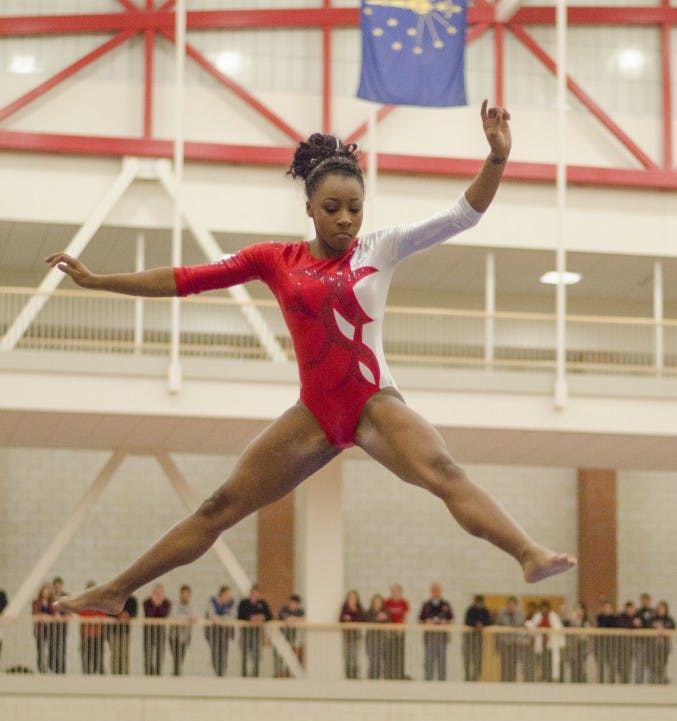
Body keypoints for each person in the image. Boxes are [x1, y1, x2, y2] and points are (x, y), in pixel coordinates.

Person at [46, 102, 574, 622]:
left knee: (444, 471)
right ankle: (116, 591)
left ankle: (526, 552)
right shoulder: (274, 260)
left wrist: (497, 159)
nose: (345, 219)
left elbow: (463, 214)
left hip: (373, 403)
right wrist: (99, 281)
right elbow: (186, 279)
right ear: (309, 208)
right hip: (315, 413)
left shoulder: (381, 248)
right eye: (331, 209)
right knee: (218, 508)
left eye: (354, 208)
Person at [419, 583, 454, 681]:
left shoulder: (445, 604)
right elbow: (421, 618)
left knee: (441, 659)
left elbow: (451, 617)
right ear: (431, 592)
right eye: (434, 591)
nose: (436, 593)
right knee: (429, 659)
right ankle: (428, 680)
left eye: (438, 590)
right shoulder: (426, 604)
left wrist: (445, 622)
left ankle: (442, 681)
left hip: (442, 637)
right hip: (430, 636)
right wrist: (427, 621)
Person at [238, 584, 273, 677]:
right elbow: (240, 615)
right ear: (250, 593)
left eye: (257, 594)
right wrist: (251, 618)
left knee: (256, 655)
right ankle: (244, 675)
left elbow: (270, 616)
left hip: (256, 633)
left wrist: (262, 617)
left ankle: (255, 674)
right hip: (245, 633)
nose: (256, 596)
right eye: (254, 593)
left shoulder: (262, 603)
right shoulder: (244, 603)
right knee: (245, 655)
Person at [494, 596, 527, 682]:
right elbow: (497, 628)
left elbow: (520, 625)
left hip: (515, 642)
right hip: (504, 642)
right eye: (509, 605)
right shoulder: (501, 613)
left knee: (513, 663)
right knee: (504, 663)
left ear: (516, 605)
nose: (510, 607)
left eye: (512, 605)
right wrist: (497, 644)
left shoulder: (521, 614)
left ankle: (512, 680)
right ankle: (504, 680)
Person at [205, 585, 235, 676]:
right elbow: (211, 614)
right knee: (215, 652)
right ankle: (217, 672)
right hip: (213, 632)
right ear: (222, 594)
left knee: (224, 652)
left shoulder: (231, 602)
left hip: (224, 631)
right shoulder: (213, 600)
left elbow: (232, 615)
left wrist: (221, 620)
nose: (229, 597)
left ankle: (223, 672)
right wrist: (219, 620)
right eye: (227, 595)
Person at [274, 593, 306, 678]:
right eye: (292, 603)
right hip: (281, 638)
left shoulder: (300, 611)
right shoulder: (284, 610)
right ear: (289, 602)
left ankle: (288, 674)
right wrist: (294, 619)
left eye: (296, 603)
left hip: (293, 639)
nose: (294, 605)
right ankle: (279, 674)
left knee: (292, 657)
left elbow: (303, 619)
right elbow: (286, 619)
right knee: (280, 657)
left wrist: (293, 619)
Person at [142, 583, 171, 675]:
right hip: (149, 631)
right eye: (156, 593)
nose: (158, 595)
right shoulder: (146, 602)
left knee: (160, 652)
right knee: (148, 653)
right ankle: (148, 673)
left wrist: (158, 605)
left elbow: (163, 614)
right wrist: (155, 605)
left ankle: (158, 673)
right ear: (153, 593)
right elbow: (149, 614)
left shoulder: (167, 603)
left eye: (160, 593)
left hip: (160, 631)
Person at [108, 594, 138, 675]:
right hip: (114, 631)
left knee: (125, 654)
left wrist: (127, 615)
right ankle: (114, 674)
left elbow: (134, 613)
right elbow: (109, 612)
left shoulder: (132, 600)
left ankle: (125, 674)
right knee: (115, 654)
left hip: (126, 632)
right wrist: (118, 615)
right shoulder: (113, 599)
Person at [384, 583, 410, 680]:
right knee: (389, 654)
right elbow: (385, 616)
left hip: (399, 632)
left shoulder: (404, 603)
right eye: (393, 591)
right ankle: (389, 675)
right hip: (390, 632)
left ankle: (399, 675)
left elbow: (405, 616)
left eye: (397, 591)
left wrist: (401, 628)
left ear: (400, 592)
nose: (395, 593)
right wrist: (387, 628)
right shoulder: (387, 602)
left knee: (399, 654)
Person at [463, 594, 491, 682]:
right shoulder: (470, 610)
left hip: (479, 639)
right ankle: (467, 676)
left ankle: (476, 677)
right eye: (477, 603)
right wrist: (475, 625)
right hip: (469, 639)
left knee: (478, 658)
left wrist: (482, 625)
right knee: (468, 658)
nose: (479, 605)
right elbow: (467, 621)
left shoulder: (485, 611)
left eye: (480, 603)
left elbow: (489, 621)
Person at [79, 582, 105, 674]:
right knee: (86, 657)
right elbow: (82, 614)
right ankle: (86, 674)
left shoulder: (100, 601)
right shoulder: (83, 602)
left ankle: (98, 674)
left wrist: (98, 618)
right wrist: (92, 619)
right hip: (86, 634)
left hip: (97, 634)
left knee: (98, 657)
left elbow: (103, 614)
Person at [168, 584, 194, 676]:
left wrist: (185, 620)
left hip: (185, 636)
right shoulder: (175, 604)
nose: (186, 596)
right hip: (174, 635)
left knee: (182, 656)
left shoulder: (190, 605)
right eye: (184, 594)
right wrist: (185, 620)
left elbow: (192, 618)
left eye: (187, 594)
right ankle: (175, 673)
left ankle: (178, 672)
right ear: (180, 594)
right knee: (176, 656)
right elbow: (174, 616)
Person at [339, 589, 365, 679]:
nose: (352, 599)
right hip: (347, 637)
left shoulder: (359, 608)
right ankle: (348, 676)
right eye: (350, 598)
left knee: (355, 656)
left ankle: (355, 675)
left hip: (356, 636)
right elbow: (341, 620)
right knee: (347, 656)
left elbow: (362, 619)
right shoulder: (344, 608)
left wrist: (351, 618)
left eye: (353, 598)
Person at [365, 593, 391, 679]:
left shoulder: (386, 612)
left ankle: (384, 678)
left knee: (384, 661)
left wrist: (385, 618)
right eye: (375, 602)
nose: (377, 604)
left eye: (379, 602)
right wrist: (377, 619)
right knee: (373, 661)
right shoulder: (368, 612)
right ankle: (372, 678)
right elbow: (366, 621)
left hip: (383, 641)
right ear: (372, 603)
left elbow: (389, 623)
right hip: (371, 641)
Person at [31, 582, 53, 673]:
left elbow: (54, 613)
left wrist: (49, 617)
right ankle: (41, 669)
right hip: (40, 629)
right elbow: (35, 613)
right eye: (44, 590)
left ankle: (49, 667)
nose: (46, 592)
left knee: (51, 649)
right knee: (40, 650)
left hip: (50, 629)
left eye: (48, 591)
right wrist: (43, 616)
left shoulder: (52, 603)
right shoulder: (36, 602)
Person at [651, 600, 674, 685]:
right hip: (654, 646)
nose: (660, 610)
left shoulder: (669, 619)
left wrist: (664, 630)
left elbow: (672, 628)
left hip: (664, 646)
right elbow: (648, 626)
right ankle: (654, 679)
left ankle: (662, 679)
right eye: (659, 608)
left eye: (662, 608)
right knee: (653, 663)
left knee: (663, 663)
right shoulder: (653, 618)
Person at [48, 576, 69, 673]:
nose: (57, 588)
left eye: (59, 586)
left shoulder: (66, 597)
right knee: (52, 650)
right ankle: (53, 670)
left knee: (61, 650)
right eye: (55, 586)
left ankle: (62, 671)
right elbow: (48, 610)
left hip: (62, 628)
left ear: (61, 586)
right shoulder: (50, 598)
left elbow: (69, 612)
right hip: (52, 629)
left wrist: (62, 617)